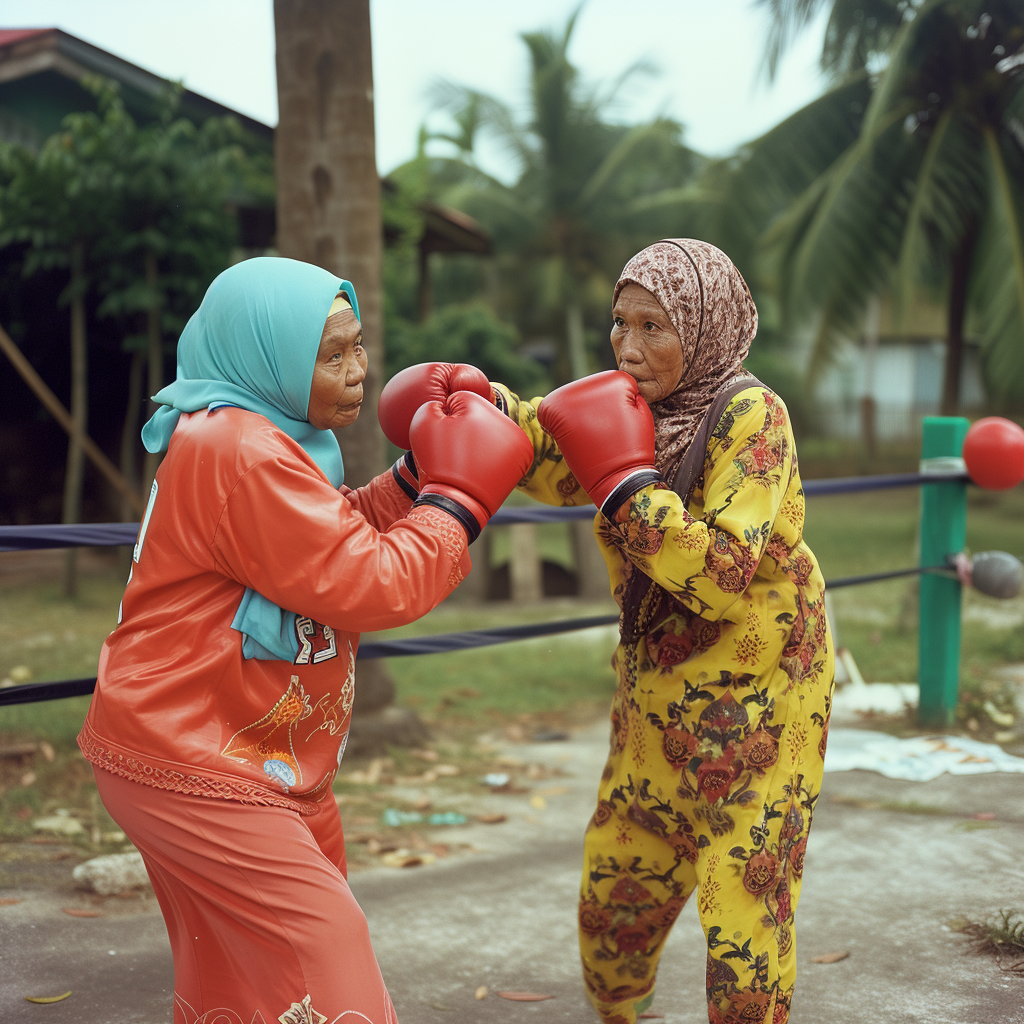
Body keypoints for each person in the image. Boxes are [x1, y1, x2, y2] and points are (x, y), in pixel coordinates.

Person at [78, 256, 532, 1024]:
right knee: (326, 946)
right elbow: (374, 582)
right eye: (333, 355)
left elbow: (324, 539)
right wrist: (456, 499)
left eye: (358, 347)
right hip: (193, 757)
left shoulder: (256, 435)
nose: (359, 370)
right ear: (269, 357)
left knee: (239, 980)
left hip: (256, 756)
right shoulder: (241, 451)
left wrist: (417, 476)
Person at [490, 240, 834, 1024]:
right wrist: (485, 407)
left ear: (705, 326)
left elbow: (719, 575)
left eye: (654, 326)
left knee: (742, 908)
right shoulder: (630, 408)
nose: (629, 347)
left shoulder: (752, 416)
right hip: (656, 705)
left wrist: (627, 486)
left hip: (760, 707)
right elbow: (552, 456)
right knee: (616, 895)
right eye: (620, 322)